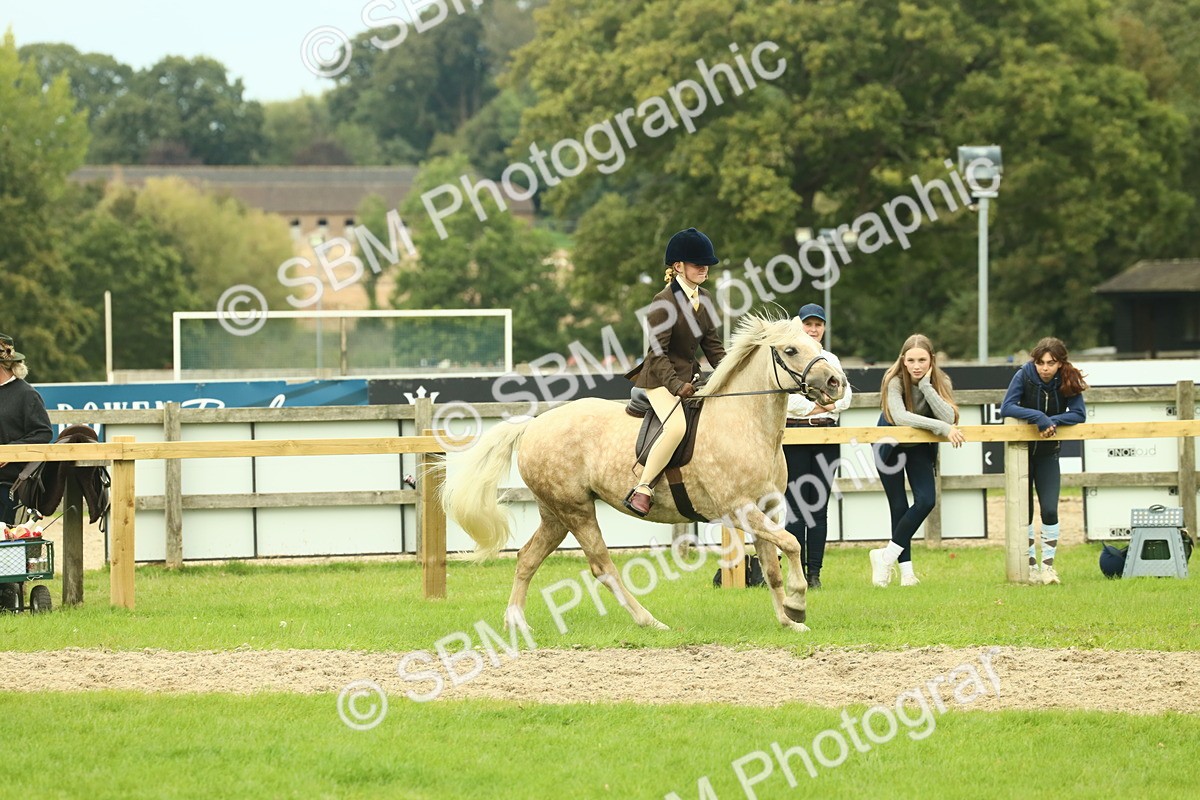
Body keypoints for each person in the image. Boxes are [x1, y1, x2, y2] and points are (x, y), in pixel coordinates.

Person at [622, 228, 726, 516]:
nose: (704, 267)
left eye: (706, 263)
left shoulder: (704, 297)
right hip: (659, 379)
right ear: (678, 266)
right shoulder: (663, 302)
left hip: (689, 378)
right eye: (697, 263)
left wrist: (730, 375)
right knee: (677, 426)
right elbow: (656, 354)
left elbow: (713, 346)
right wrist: (676, 385)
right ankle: (643, 488)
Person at [870, 334, 964, 587]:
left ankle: (885, 557)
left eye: (922, 360)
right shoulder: (893, 381)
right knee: (899, 506)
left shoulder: (941, 381)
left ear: (931, 360)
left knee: (926, 500)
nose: (916, 366)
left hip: (918, 446)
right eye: (911, 360)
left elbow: (949, 416)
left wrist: (926, 386)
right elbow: (900, 417)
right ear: (903, 360)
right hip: (889, 446)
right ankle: (907, 573)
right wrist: (941, 428)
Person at [1000, 337, 1088, 585]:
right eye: (1040, 362)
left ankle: (1048, 567)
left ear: (1060, 363)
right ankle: (1031, 567)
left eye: (1051, 362)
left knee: (1049, 508)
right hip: (1021, 453)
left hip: (1048, 453)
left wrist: (1054, 421)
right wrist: (1039, 417)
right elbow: (1006, 407)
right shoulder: (1024, 375)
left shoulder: (1069, 377)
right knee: (1024, 512)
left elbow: (1079, 414)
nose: (1045, 368)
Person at [783, 303, 852, 589]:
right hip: (796, 438)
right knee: (796, 507)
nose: (813, 329)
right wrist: (820, 405)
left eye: (818, 325)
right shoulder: (788, 357)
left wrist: (823, 405)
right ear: (799, 326)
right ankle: (796, 572)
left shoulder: (829, 358)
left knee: (819, 508)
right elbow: (788, 402)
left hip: (826, 439)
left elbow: (846, 398)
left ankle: (815, 574)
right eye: (808, 324)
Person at [0, 333, 53, 610]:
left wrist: (9, 453)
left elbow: (43, 433)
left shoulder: (26, 395)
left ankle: (6, 590)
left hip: (7, 482)